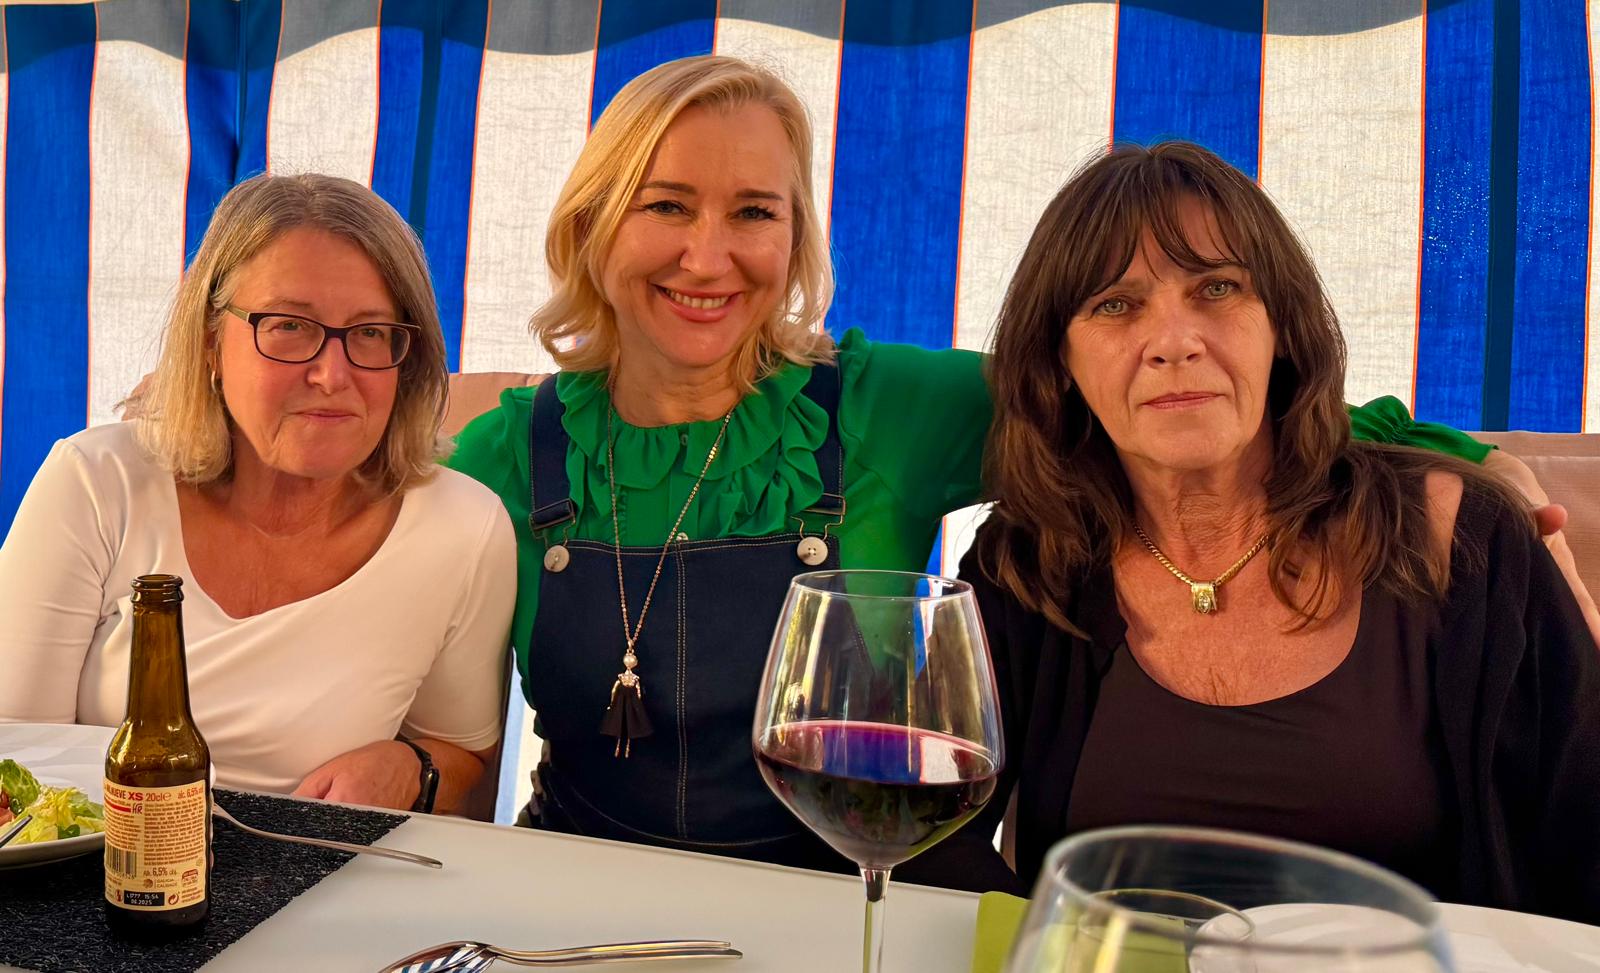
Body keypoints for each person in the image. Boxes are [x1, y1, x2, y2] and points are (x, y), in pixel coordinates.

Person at [446, 56, 1507, 874]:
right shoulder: (503, 454)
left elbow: (1148, 387)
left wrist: (1440, 458)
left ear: (796, 240)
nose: (708, 254)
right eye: (666, 204)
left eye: (754, 212)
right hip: (575, 898)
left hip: (841, 893)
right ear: (593, 222)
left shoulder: (887, 406)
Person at [956, 141, 1600, 920]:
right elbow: (931, 840)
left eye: (1217, 288)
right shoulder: (1028, 561)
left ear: (1283, 326)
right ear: (1060, 360)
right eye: (1115, 305)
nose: (1174, 341)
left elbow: (1584, 846)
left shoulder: (1458, 537)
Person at [0, 173, 516, 815]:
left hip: (323, 867)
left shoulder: (462, 526)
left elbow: (465, 757)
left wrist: (410, 768)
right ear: (210, 342)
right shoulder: (97, 481)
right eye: (289, 326)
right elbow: (15, 757)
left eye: (370, 332)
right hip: (97, 866)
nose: (332, 375)